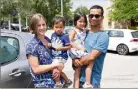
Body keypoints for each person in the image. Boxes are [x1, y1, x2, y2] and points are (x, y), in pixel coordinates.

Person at [72, 5, 109, 88]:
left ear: (102, 18)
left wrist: (77, 63)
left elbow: (91, 57)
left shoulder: (103, 36)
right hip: (79, 79)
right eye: (91, 16)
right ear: (88, 18)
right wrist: (74, 60)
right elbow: (74, 46)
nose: (94, 18)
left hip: (92, 82)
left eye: (97, 16)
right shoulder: (84, 34)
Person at [26, 13, 63, 88]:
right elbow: (36, 69)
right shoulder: (31, 46)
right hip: (44, 85)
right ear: (34, 27)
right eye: (38, 25)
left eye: (43, 24)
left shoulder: (48, 40)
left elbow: (56, 56)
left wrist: (58, 68)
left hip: (56, 83)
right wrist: (54, 66)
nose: (42, 27)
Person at [68, 12, 93, 88]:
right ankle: (87, 83)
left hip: (80, 51)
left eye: (84, 21)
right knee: (90, 60)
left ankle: (79, 85)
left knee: (78, 69)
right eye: (80, 21)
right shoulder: (73, 31)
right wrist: (79, 48)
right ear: (75, 21)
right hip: (76, 51)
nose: (82, 23)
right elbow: (69, 41)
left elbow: (90, 29)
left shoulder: (84, 30)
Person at [49, 16, 72, 88]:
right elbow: (53, 45)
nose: (59, 29)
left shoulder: (65, 36)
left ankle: (58, 83)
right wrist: (50, 45)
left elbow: (69, 47)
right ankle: (67, 81)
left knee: (55, 69)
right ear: (53, 27)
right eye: (56, 27)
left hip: (61, 57)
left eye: (61, 27)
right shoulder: (53, 35)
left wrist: (61, 48)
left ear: (64, 27)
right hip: (54, 56)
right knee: (54, 69)